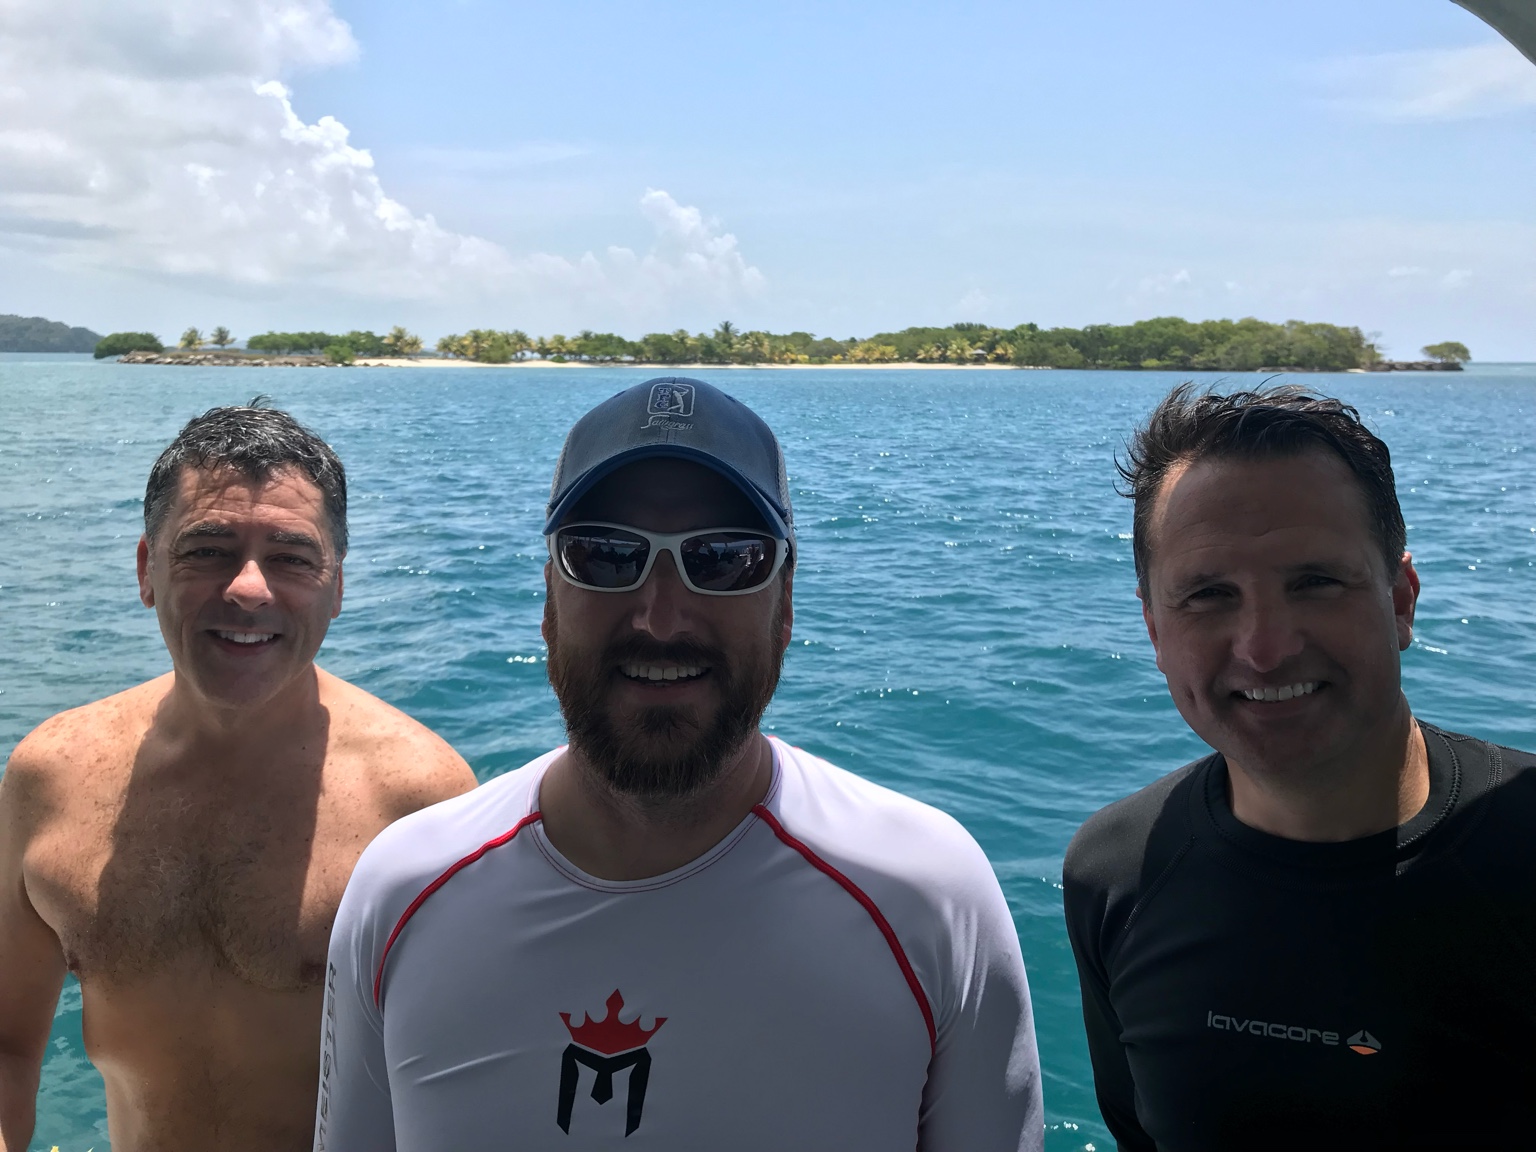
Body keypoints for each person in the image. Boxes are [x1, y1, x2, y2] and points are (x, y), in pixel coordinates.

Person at [316, 377, 1043, 1151]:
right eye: (604, 554)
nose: (661, 617)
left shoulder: (929, 901)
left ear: (786, 600)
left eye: (725, 559)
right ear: (549, 595)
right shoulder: (400, 895)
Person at [1063, 384, 1536, 1151]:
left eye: (1315, 582)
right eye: (1209, 595)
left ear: (1402, 600)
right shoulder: (1115, 873)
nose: (1265, 647)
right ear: (1154, 630)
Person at [0, 404, 477, 1152]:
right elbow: (8, 1046)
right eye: (208, 550)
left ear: (337, 587)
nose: (249, 588)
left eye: (291, 557)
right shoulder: (51, 774)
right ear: (145, 570)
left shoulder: (417, 796)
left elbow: (469, 1078)